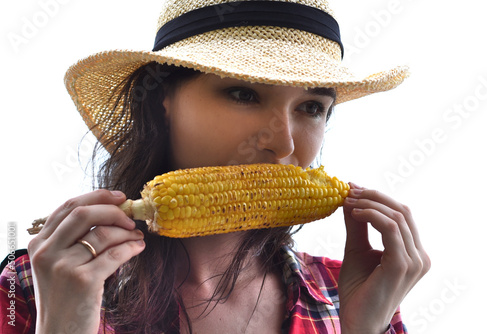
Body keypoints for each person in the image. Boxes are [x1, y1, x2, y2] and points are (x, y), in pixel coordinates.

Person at [0, 0, 430, 333]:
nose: (283, 143)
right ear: (162, 101)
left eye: (312, 107)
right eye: (244, 94)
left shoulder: (355, 293)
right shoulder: (31, 286)